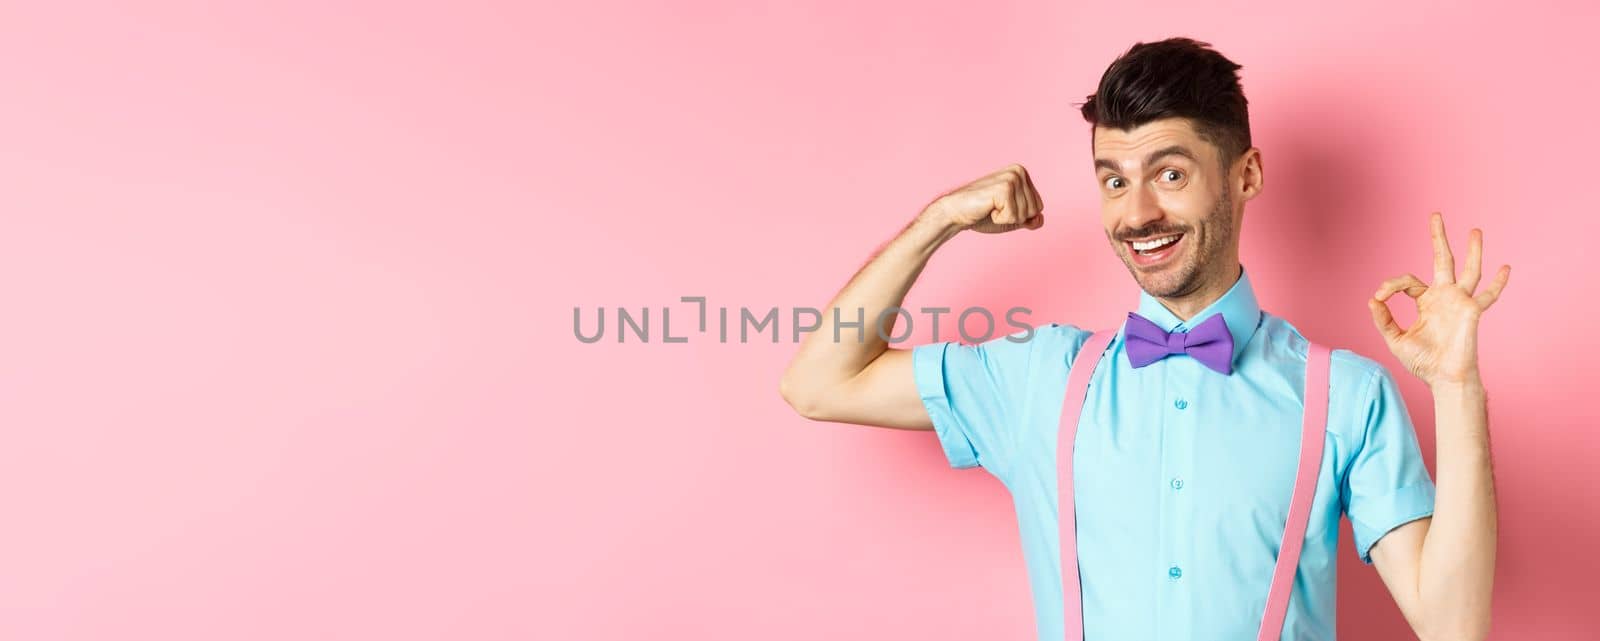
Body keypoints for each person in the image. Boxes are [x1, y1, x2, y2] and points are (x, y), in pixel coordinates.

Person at [778, 37, 1506, 641]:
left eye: (1170, 172)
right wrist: (938, 220)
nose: (1138, 212)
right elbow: (818, 382)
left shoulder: (1346, 394)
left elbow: (1453, 624)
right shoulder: (1039, 378)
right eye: (1114, 181)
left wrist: (1456, 388)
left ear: (1245, 175)